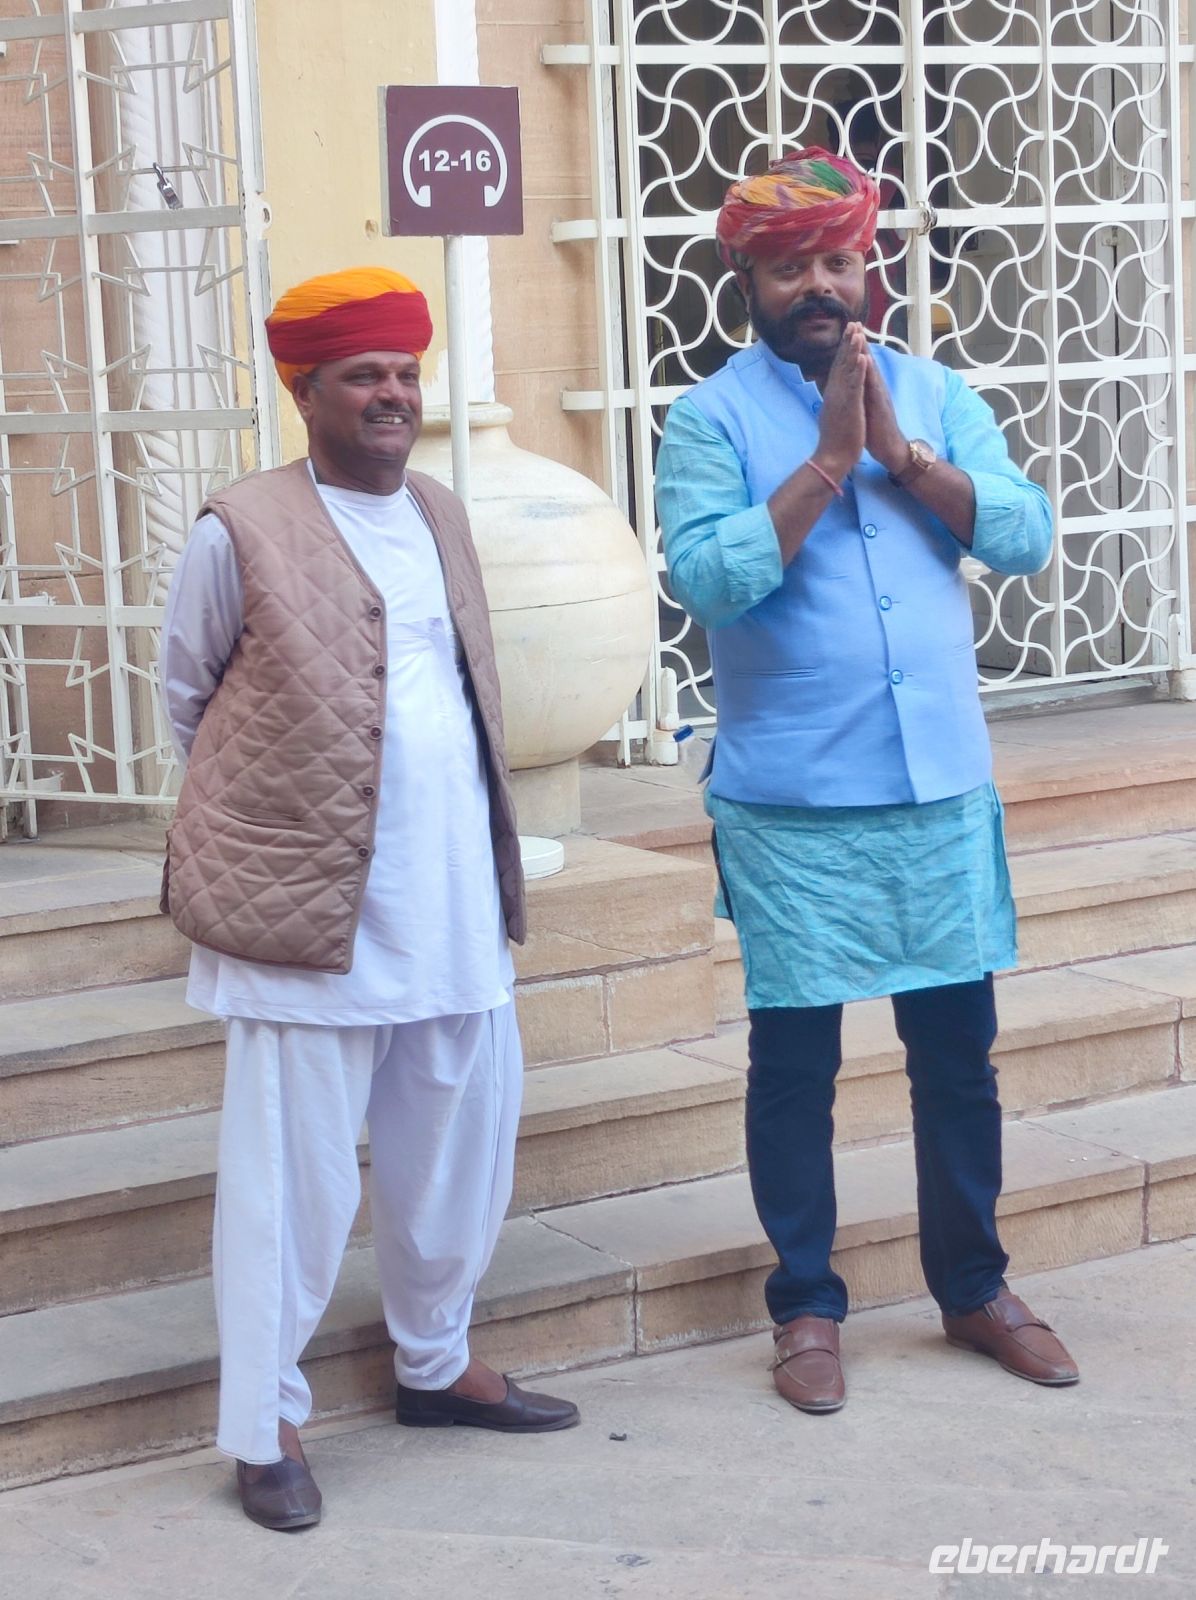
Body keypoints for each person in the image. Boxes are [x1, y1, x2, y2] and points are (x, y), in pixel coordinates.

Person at [655, 150, 1078, 1416]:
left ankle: (972, 1289)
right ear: (748, 277)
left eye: (841, 261)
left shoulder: (938, 393)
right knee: (794, 1063)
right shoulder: (708, 419)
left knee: (956, 1057)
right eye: (793, 267)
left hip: (938, 786)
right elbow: (706, 579)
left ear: (867, 268)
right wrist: (826, 462)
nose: (822, 286)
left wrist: (898, 450)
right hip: (791, 800)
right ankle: (804, 1307)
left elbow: (1021, 534)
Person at [160, 266, 578, 1532]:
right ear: (306, 390)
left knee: (457, 1145)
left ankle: (436, 1363)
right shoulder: (240, 525)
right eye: (364, 376)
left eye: (404, 372)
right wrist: (280, 819)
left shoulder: (442, 509)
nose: (392, 395)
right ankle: (264, 1422)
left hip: (450, 897)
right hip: (307, 909)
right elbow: (188, 694)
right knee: (291, 1184)